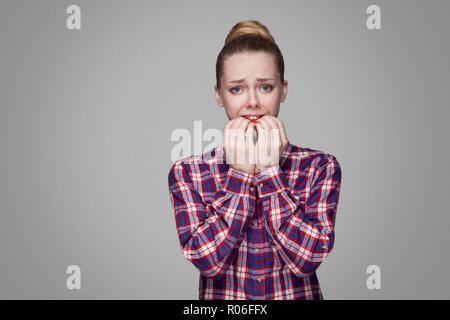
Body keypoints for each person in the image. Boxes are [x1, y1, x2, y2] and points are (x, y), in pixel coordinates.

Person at [168, 20, 342, 300]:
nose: (252, 102)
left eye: (265, 87)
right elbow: (208, 262)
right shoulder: (188, 172)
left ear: (283, 90)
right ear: (218, 94)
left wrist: (270, 172)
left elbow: (306, 259)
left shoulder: (320, 167)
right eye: (237, 89)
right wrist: (240, 176)